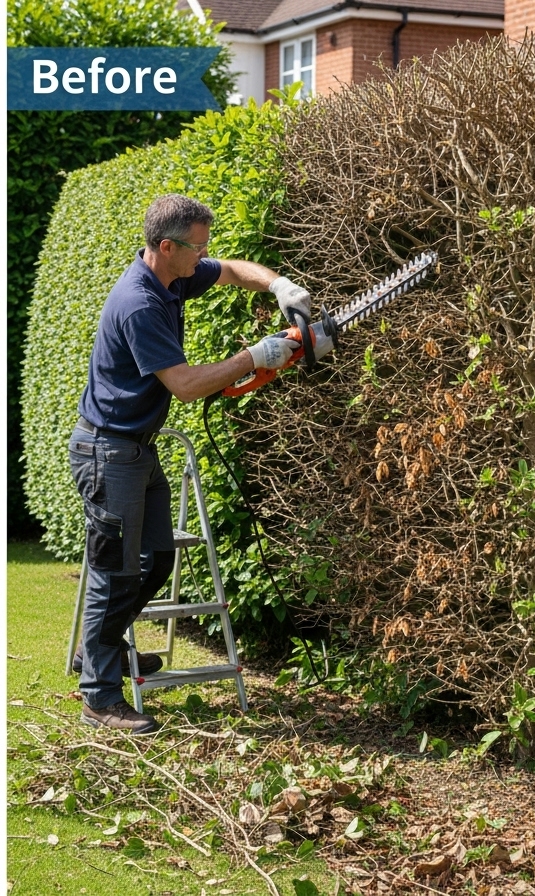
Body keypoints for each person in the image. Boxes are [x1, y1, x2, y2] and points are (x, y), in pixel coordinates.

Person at [70, 193, 331, 734]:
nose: (204, 256)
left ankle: (101, 650)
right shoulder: (139, 302)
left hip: (136, 448)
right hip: (107, 453)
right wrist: (254, 357)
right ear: (167, 246)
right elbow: (186, 387)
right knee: (115, 572)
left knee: (158, 560)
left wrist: (279, 284)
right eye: (197, 248)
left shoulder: (174, 276)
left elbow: (234, 270)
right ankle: (99, 695)